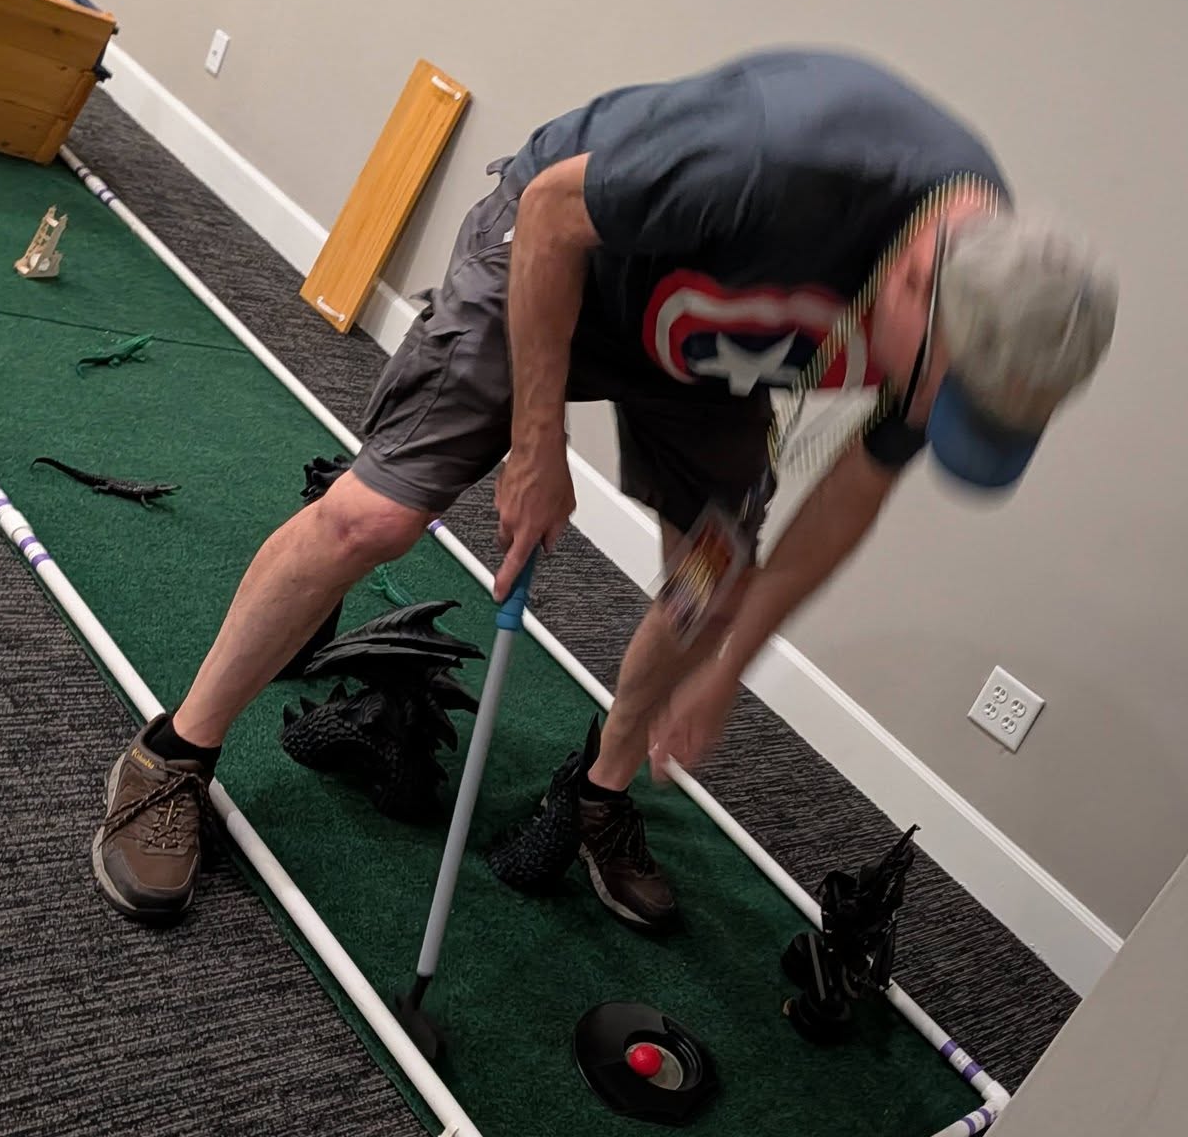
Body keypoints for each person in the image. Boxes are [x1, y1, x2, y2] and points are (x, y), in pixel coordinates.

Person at [92, 49, 1116, 930]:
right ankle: (172, 755)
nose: (916, 409)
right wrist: (536, 446)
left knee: (708, 585)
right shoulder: (776, 158)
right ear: (914, 279)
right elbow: (551, 213)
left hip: (708, 360)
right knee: (379, 515)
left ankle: (597, 792)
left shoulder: (984, 313)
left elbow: (851, 497)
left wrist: (728, 668)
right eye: (929, 388)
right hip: (556, 261)